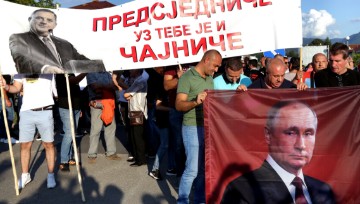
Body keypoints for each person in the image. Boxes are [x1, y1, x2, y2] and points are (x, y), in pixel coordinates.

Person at [221, 100, 336, 204]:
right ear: (268, 135)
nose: (301, 145)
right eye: (290, 133)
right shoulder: (242, 189)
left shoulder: (324, 190)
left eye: (308, 133)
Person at [176, 49, 222, 204]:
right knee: (192, 170)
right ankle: (182, 201)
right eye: (215, 66)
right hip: (191, 127)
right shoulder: (187, 78)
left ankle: (200, 200)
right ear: (206, 59)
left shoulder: (210, 78)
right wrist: (195, 101)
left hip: (208, 128)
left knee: (203, 169)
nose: (216, 70)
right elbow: (178, 105)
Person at [0, 74, 57, 190]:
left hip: (45, 111)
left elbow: (56, 93)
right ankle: (25, 175)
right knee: (25, 145)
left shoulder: (48, 69)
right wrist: (6, 86)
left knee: (48, 144)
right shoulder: (21, 68)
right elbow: (16, 88)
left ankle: (51, 175)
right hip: (26, 112)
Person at [9, 9, 103, 74]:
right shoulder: (19, 38)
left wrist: (102, 64)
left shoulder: (65, 43)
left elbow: (80, 59)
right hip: (43, 85)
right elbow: (22, 60)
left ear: (55, 25)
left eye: (49, 20)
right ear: (30, 20)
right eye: (39, 18)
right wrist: (44, 69)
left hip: (69, 86)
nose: (44, 22)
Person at [87, 71, 121, 163]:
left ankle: (111, 153)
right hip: (96, 104)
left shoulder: (107, 74)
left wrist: (102, 86)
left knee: (110, 128)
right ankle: (92, 154)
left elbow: (113, 86)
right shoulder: (91, 73)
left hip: (109, 104)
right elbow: (95, 86)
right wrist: (108, 86)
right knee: (95, 129)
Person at [56, 73, 87, 171]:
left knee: (72, 133)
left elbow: (76, 90)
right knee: (69, 133)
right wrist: (85, 72)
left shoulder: (71, 73)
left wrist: (80, 108)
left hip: (76, 107)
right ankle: (64, 161)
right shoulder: (61, 73)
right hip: (66, 107)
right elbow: (73, 81)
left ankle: (70, 157)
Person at [124, 69, 148, 167]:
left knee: (138, 137)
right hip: (134, 111)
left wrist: (128, 94)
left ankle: (141, 159)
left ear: (137, 70)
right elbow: (127, 95)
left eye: (132, 69)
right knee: (134, 136)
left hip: (138, 112)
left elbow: (126, 94)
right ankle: (137, 156)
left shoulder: (140, 81)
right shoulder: (136, 80)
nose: (130, 71)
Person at [239, 58, 307, 90]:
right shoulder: (254, 88)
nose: (280, 80)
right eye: (276, 76)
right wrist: (240, 93)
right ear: (267, 73)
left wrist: (303, 89)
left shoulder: (290, 87)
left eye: (282, 75)